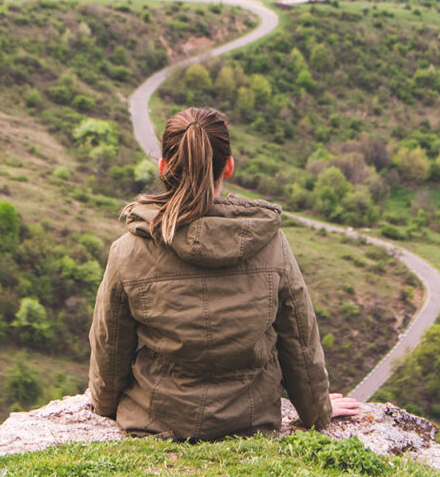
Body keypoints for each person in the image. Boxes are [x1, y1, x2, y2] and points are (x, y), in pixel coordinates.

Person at [88, 107, 359, 440]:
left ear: (163, 168)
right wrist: (317, 411)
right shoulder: (270, 243)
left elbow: (110, 345)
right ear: (228, 165)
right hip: (250, 423)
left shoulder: (128, 250)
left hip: (154, 422)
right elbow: (299, 340)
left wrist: (104, 405)